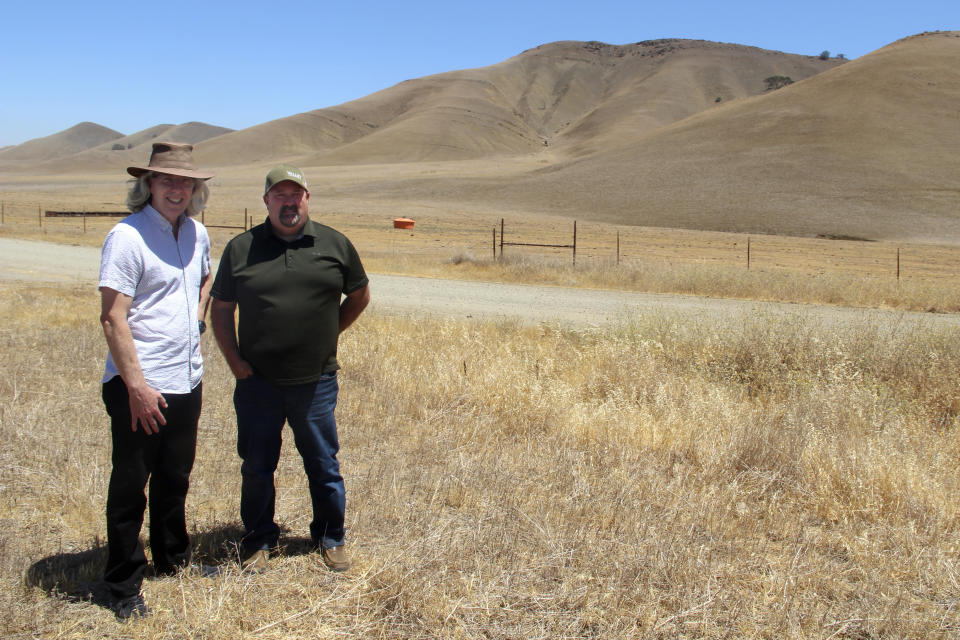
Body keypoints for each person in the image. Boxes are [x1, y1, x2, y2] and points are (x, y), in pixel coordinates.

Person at [210, 164, 370, 573]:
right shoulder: (241, 248)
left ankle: (330, 537)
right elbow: (223, 308)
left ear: (307, 198)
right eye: (279, 195)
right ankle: (259, 538)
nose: (288, 202)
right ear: (266, 201)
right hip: (257, 384)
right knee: (257, 466)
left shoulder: (334, 244)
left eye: (295, 194)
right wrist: (235, 361)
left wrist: (329, 331)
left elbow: (359, 295)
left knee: (323, 464)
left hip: (315, 382)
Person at [98, 142, 214, 619]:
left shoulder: (198, 234)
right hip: (140, 385)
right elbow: (112, 318)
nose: (177, 190)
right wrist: (137, 388)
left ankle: (172, 557)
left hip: (187, 379)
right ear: (147, 184)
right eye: (167, 181)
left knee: (176, 476)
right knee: (131, 483)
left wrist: (199, 324)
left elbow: (206, 280)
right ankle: (123, 582)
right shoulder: (126, 237)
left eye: (185, 182)